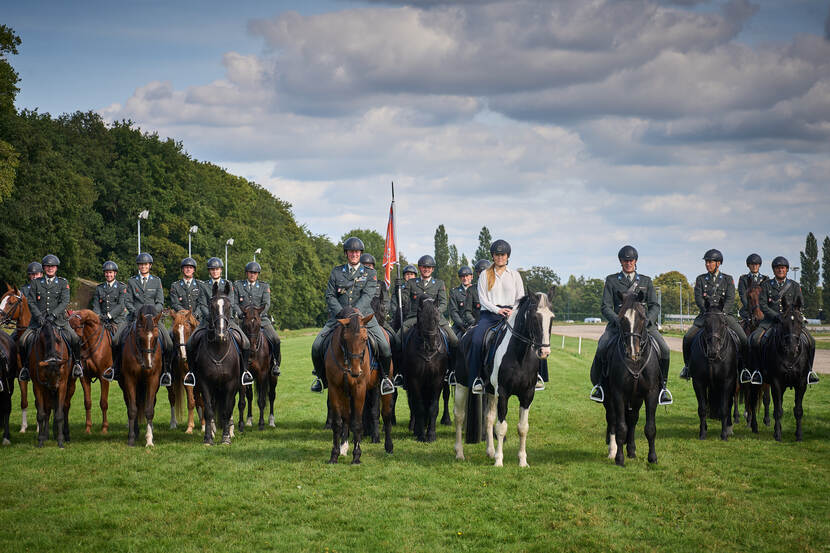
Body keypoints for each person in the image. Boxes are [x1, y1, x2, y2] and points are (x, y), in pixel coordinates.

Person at [588, 246, 673, 405]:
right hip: (619, 326)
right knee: (601, 347)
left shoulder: (646, 281)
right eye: (625, 260)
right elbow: (605, 306)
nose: (628, 263)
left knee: (666, 350)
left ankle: (663, 388)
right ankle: (600, 385)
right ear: (621, 262)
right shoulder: (612, 280)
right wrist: (617, 320)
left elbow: (654, 305)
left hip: (643, 326)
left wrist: (648, 320)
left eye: (631, 260)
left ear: (635, 261)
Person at [310, 237, 394, 395]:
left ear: (360, 253)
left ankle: (384, 379)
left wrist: (355, 314)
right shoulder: (336, 272)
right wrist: (343, 313)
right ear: (346, 253)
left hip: (364, 317)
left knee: (384, 346)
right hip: (339, 317)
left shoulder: (370, 273)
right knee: (316, 346)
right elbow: (330, 296)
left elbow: (368, 296)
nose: (354, 254)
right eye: (351, 251)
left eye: (357, 251)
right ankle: (321, 379)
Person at [679, 249, 748, 381]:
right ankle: (687, 367)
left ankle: (744, 369)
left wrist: (722, 313)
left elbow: (730, 298)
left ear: (718, 263)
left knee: (743, 339)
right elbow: (699, 299)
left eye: (710, 262)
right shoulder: (700, 279)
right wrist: (708, 312)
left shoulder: (728, 279)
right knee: (687, 338)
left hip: (724, 316)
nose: (707, 264)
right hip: (706, 316)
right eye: (706, 262)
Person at [749, 256, 819, 385]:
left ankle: (809, 371)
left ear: (787, 270)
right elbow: (763, 305)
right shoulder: (766, 285)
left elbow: (800, 303)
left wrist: (791, 314)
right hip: (771, 320)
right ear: (774, 270)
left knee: (811, 341)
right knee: (754, 339)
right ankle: (758, 372)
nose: (780, 270)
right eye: (777, 268)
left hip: (791, 322)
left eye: (782, 268)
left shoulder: (794, 285)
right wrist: (776, 316)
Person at [465, 240, 523, 394]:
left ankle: (537, 375)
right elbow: (483, 298)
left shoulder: (515, 275)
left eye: (502, 254)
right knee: (477, 339)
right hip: (490, 315)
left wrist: (513, 311)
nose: (500, 257)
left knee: (532, 338)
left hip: (511, 314)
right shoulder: (485, 274)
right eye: (497, 255)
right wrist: (498, 310)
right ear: (493, 256)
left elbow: (520, 298)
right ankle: (476, 378)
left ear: (507, 256)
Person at [110, 253, 175, 386]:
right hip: (134, 318)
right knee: (116, 339)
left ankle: (166, 372)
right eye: (141, 264)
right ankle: (115, 369)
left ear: (150, 265)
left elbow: (160, 302)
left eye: (145, 264)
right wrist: (137, 313)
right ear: (138, 266)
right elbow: (128, 301)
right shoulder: (132, 281)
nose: (143, 266)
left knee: (168, 343)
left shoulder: (157, 281)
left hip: (153, 320)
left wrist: (152, 315)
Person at [20, 254, 83, 381]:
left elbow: (65, 301)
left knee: (75, 338)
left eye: (52, 266)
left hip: (59, 321)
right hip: (38, 322)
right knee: (22, 341)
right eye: (47, 266)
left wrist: (54, 315)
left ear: (56, 268)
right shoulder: (36, 283)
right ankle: (25, 368)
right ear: (43, 268)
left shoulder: (62, 282)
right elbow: (31, 301)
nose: (50, 268)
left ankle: (77, 364)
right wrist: (38, 316)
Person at [192, 256, 252, 385]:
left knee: (246, 342)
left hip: (227, 321)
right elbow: (202, 304)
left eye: (217, 269)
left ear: (221, 270)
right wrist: (211, 318)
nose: (215, 272)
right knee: (191, 342)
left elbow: (231, 303)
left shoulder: (228, 284)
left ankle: (245, 372)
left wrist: (222, 318)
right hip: (208, 321)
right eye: (212, 269)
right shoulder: (203, 286)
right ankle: (192, 373)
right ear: (209, 271)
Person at [398, 254, 458, 358]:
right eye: (424, 267)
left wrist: (435, 313)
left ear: (432, 269)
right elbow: (404, 300)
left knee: (454, 340)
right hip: (415, 317)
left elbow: (443, 303)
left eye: (429, 267)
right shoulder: (411, 283)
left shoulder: (439, 283)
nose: (426, 269)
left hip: (436, 318)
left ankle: (451, 370)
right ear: (420, 268)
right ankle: (398, 370)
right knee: (397, 339)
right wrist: (398, 289)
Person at [233, 261, 281, 377]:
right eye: (250, 272)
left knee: (275, 339)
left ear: (258, 274)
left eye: (255, 273)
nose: (252, 275)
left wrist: (257, 316)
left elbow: (266, 304)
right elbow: (234, 303)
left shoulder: (264, 286)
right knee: (232, 338)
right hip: (243, 320)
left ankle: (275, 363)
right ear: (246, 273)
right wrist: (241, 314)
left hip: (261, 319)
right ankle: (234, 365)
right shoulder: (238, 285)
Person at [95, 261, 129, 382]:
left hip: (117, 321)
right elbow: (96, 305)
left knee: (118, 341)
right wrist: (99, 316)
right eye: (106, 272)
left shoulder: (121, 287)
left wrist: (109, 316)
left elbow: (121, 305)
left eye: (110, 272)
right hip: (102, 321)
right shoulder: (99, 288)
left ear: (115, 273)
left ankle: (117, 367)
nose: (108, 275)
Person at [11, 262, 42, 379]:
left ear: (41, 274)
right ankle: (16, 368)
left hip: (40, 323)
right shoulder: (23, 289)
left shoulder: (44, 288)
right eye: (32, 274)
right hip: (25, 324)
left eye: (36, 274)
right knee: (10, 341)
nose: (34, 276)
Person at [169, 257, 207, 323]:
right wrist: (186, 315)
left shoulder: (200, 285)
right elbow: (175, 304)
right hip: (181, 319)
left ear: (194, 270)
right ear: (182, 269)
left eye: (191, 268)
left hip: (197, 319)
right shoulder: (175, 286)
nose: (188, 269)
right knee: (169, 333)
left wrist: (195, 315)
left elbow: (202, 303)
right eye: (186, 267)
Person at [449, 266, 473, 338]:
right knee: (452, 340)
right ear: (460, 278)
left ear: (471, 276)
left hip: (475, 323)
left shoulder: (477, 290)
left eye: (467, 276)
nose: (465, 278)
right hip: (460, 325)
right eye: (462, 276)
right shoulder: (454, 292)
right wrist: (462, 325)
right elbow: (453, 311)